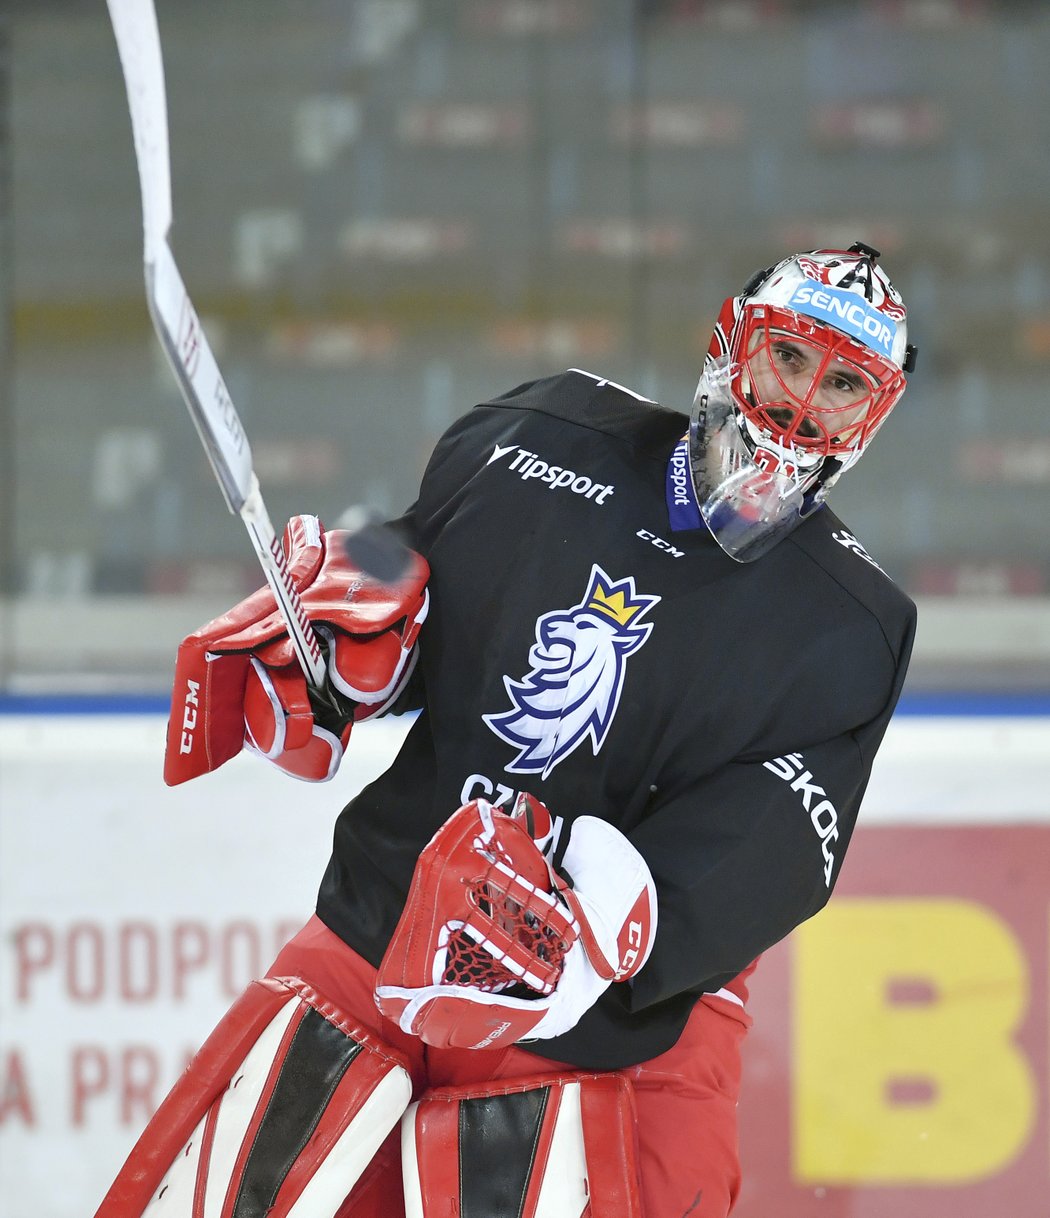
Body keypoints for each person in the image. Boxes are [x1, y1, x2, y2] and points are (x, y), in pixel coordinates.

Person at [96, 242, 917, 1218]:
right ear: (731, 341)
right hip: (382, 924)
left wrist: (593, 930)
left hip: (622, 1018)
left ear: (876, 413)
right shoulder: (541, 434)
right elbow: (412, 553)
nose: (799, 403)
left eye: (843, 382)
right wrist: (348, 607)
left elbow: (778, 842)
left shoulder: (850, 624)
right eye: (789, 357)